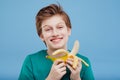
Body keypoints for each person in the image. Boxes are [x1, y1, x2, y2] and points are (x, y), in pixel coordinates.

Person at [18, 4, 94, 80]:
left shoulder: (83, 64)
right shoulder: (31, 62)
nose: (55, 33)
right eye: (48, 29)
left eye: (60, 27)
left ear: (68, 31)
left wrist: (76, 78)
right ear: (41, 36)